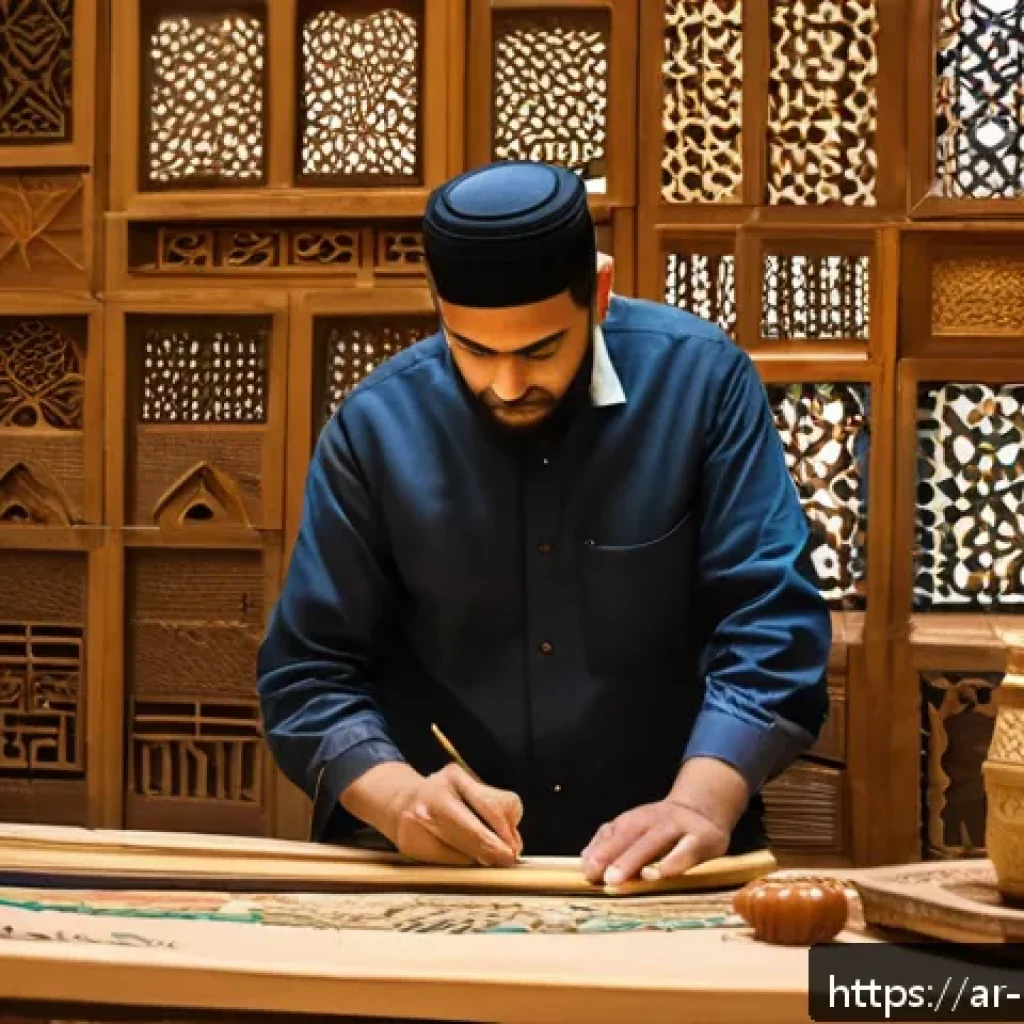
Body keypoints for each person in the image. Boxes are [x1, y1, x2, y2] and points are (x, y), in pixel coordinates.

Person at [258, 160, 831, 886]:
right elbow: (308, 672)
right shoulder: (376, 426)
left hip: (663, 859)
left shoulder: (701, 383)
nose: (506, 383)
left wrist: (702, 801)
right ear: (438, 307)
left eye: (538, 349)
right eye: (473, 349)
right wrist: (399, 799)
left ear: (598, 292)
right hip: (434, 869)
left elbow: (771, 620)